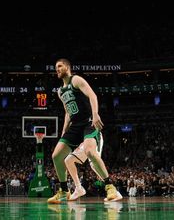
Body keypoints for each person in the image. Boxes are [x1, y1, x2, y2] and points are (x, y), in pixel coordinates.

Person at [46, 58, 122, 204]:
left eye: (60, 66)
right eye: (56, 67)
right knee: (56, 155)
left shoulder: (76, 80)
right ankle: (64, 191)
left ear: (67, 67)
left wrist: (95, 114)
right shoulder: (60, 91)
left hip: (88, 122)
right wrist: (63, 132)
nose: (57, 69)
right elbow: (67, 113)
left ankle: (110, 187)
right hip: (75, 125)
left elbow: (92, 95)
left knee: (89, 151)